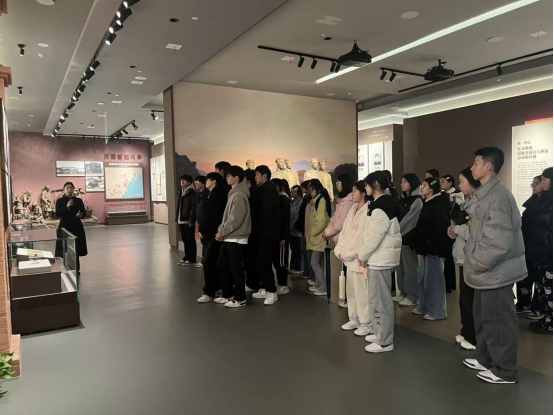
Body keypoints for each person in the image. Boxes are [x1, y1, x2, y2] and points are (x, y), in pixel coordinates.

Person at [463, 147, 526, 385]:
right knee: (484, 319)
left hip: (494, 273)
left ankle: (505, 370)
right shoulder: (486, 195)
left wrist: (475, 263)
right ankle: (486, 359)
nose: (472, 168)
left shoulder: (498, 197)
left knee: (499, 323)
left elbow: (498, 243)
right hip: (486, 273)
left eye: (476, 163)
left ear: (488, 166)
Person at [358, 171, 402, 354]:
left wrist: (362, 255)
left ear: (375, 184)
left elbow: (373, 236)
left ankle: (384, 340)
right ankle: (380, 333)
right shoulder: (383, 203)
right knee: (377, 299)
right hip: (380, 258)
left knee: (380, 301)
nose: (365, 188)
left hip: (380, 259)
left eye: (366, 185)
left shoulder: (381, 206)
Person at [448, 168, 481, 351]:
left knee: (470, 299)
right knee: (464, 298)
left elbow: (476, 232)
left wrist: (458, 230)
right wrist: (452, 231)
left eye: (462, 181)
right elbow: (458, 226)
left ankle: (473, 336)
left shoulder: (479, 204)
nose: (459, 185)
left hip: (472, 256)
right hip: (462, 255)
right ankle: (466, 331)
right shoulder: (467, 202)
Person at [335, 181, 373, 337]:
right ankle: (354, 318)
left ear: (363, 193)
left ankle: (366, 322)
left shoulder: (368, 210)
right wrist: (339, 250)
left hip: (359, 259)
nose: (352, 194)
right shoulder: (353, 209)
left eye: (355, 191)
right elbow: (344, 232)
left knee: (362, 293)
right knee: (351, 292)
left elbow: (360, 238)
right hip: (348, 259)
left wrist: (347, 252)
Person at [413, 177, 451, 321]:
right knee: (424, 279)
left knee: (434, 280)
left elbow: (441, 229)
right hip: (425, 248)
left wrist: (434, 247)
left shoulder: (438, 204)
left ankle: (437, 311)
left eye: (424, 185)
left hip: (433, 249)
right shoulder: (428, 203)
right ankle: (425, 306)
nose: (421, 188)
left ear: (432, 188)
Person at [214, 166, 252, 308]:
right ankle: (227, 294)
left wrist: (222, 232)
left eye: (229, 176)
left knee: (235, 269)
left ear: (236, 178)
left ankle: (240, 298)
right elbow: (229, 217)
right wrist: (222, 231)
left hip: (236, 237)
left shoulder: (240, 195)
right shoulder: (234, 193)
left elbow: (236, 219)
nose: (226, 178)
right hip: (229, 236)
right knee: (222, 264)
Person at [250, 165, 281, 306]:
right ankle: (266, 288)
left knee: (265, 262)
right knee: (260, 262)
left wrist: (255, 227)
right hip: (262, 233)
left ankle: (271, 291)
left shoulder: (269, 192)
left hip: (267, 234)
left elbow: (264, 215)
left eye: (257, 174)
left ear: (265, 176)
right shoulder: (262, 190)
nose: (255, 177)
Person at [529, 167, 553, 335]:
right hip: (541, 254)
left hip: (549, 256)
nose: (542, 183)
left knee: (550, 291)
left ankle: (550, 323)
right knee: (543, 290)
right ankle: (546, 318)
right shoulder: (544, 201)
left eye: (545, 179)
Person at [197, 173, 228, 304]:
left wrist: (204, 230)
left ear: (214, 181)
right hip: (214, 232)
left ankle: (210, 291)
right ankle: (216, 288)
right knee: (213, 262)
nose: (206, 182)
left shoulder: (216, 194)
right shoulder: (211, 193)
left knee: (209, 262)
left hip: (215, 233)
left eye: (207, 180)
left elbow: (213, 216)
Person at [518, 175, 545, 316]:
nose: (534, 186)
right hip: (527, 245)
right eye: (532, 183)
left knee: (540, 280)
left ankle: (538, 308)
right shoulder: (531, 203)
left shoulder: (545, 205)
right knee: (525, 277)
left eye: (537, 183)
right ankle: (524, 303)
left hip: (539, 246)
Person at [395, 173, 423, 307]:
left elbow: (410, 221)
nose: (402, 184)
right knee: (399, 267)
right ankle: (403, 292)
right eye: (402, 182)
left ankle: (412, 295)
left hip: (408, 238)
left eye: (405, 182)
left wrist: (396, 231)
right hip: (399, 238)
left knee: (410, 267)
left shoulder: (417, 200)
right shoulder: (403, 199)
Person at [307, 179, 331, 296]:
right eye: (309, 189)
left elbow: (321, 222)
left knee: (315, 263)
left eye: (312, 189)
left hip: (319, 237)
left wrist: (311, 232)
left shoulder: (320, 201)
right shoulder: (317, 200)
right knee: (318, 263)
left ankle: (323, 286)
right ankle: (319, 284)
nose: (310, 191)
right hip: (317, 237)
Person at [55, 182, 88, 270]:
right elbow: (57, 214)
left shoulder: (78, 200)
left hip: (76, 226)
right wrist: (67, 207)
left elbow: (84, 213)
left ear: (73, 189)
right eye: (67, 188)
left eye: (71, 188)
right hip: (65, 226)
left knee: (75, 248)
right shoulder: (60, 201)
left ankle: (76, 269)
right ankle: (66, 268)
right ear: (64, 190)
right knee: (65, 248)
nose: (69, 190)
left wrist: (81, 215)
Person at [440, 174, 463, 293]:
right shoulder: (442, 196)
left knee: (449, 258)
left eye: (443, 181)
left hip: (452, 230)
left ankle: (449, 284)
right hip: (445, 230)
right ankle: (449, 284)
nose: (441, 183)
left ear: (450, 183)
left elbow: (457, 215)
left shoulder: (457, 197)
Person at [271, 178, 292, 296]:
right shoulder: (280, 199)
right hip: (279, 236)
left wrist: (284, 237)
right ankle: (281, 284)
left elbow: (285, 220)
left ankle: (283, 285)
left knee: (281, 262)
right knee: (277, 261)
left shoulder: (283, 200)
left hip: (282, 237)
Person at [324, 174, 355, 242]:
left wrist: (327, 233)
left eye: (339, 182)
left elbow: (341, 222)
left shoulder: (349, 201)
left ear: (345, 183)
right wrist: (328, 231)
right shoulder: (341, 200)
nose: (337, 184)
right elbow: (335, 217)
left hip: (343, 238)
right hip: (337, 237)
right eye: (336, 182)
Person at [176, 174, 197, 266]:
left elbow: (193, 207)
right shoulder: (182, 191)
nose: (182, 182)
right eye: (181, 180)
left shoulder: (192, 192)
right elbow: (178, 206)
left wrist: (191, 220)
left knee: (190, 240)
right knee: (185, 240)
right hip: (181, 219)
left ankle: (192, 258)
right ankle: (187, 256)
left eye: (184, 180)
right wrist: (176, 217)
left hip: (188, 220)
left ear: (189, 182)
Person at [295, 181, 313, 281]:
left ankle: (308, 272)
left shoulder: (309, 199)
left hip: (307, 228)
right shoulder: (306, 199)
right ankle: (306, 271)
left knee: (307, 252)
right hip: (303, 228)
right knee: (304, 251)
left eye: (302, 187)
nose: (301, 189)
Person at [191, 176, 208, 268]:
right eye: (195, 182)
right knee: (203, 241)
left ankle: (205, 261)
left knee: (206, 242)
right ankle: (203, 260)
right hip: (200, 221)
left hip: (205, 222)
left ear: (203, 183)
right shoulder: (198, 194)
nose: (196, 184)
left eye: (198, 182)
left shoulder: (207, 194)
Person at [289, 185, 304, 275]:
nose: (291, 193)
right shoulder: (291, 202)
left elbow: (299, 217)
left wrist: (294, 225)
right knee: (293, 249)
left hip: (297, 231)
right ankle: (293, 266)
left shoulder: (301, 203)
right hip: (291, 231)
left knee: (298, 250)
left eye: (293, 192)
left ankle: (298, 267)